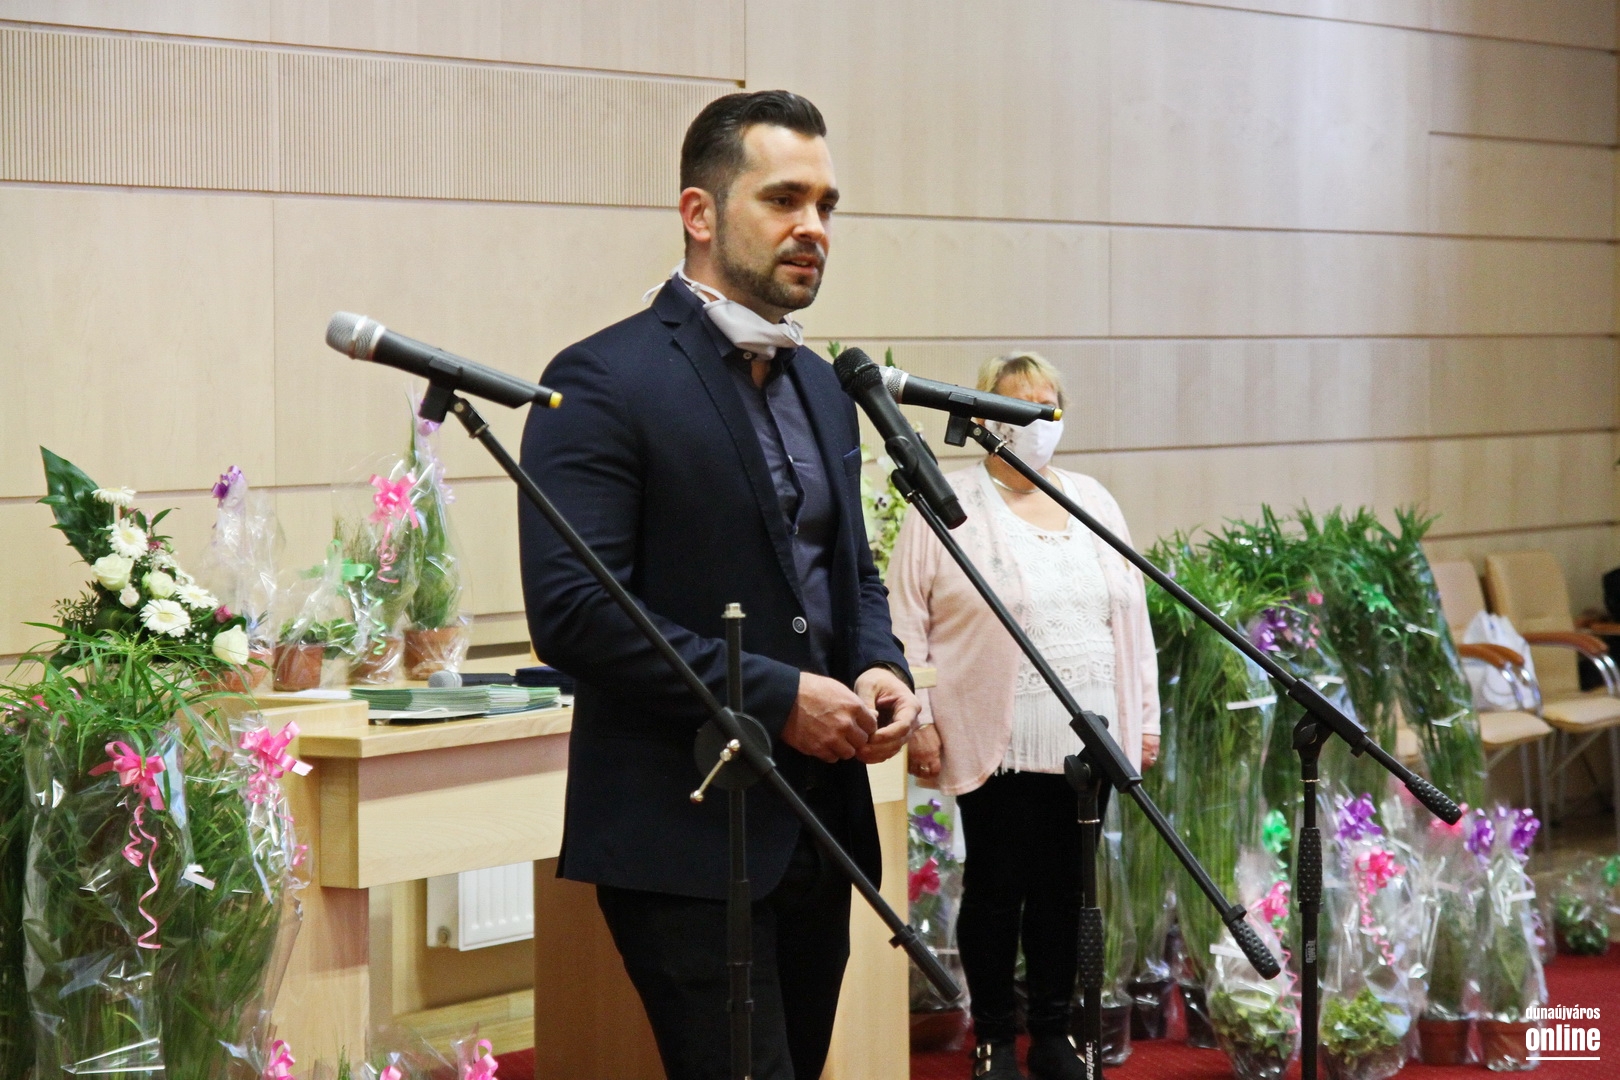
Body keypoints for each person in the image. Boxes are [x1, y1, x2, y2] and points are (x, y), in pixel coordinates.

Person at [518, 90, 920, 1080]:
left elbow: (849, 570)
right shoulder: (601, 379)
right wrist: (779, 697)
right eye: (784, 199)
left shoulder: (823, 385)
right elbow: (576, 612)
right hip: (684, 826)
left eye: (826, 205)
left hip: (819, 826)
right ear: (699, 212)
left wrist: (880, 663)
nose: (813, 227)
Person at [886, 352, 1160, 1080]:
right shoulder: (947, 499)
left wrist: (1145, 721)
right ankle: (995, 1038)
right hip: (996, 736)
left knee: (1068, 893)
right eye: (1021, 405)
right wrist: (919, 719)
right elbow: (904, 620)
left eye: (1049, 406)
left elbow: (1133, 619)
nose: (1039, 420)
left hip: (1091, 738)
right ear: (985, 416)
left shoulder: (1093, 499)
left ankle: (1053, 1034)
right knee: (997, 888)